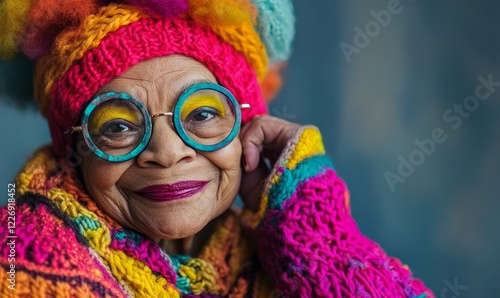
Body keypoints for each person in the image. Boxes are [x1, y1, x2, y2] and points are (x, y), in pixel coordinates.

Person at [0, 0, 434, 297]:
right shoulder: (18, 259)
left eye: (203, 115)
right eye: (117, 125)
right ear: (74, 147)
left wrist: (318, 234)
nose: (168, 153)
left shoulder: (277, 252)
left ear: (248, 129)